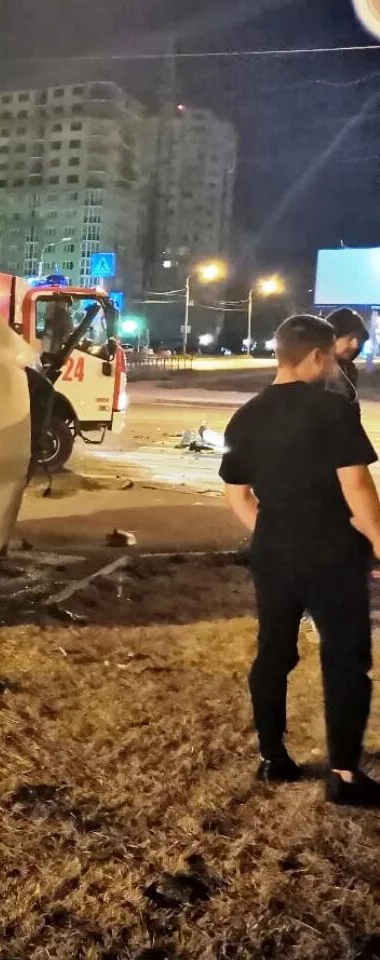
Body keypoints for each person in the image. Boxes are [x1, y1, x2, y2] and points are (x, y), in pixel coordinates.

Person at [220, 314, 380, 806]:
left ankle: (273, 758)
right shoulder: (333, 410)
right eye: (329, 355)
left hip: (273, 552)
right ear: (315, 356)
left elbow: (238, 495)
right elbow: (356, 487)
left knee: (274, 652)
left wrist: (272, 532)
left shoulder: (245, 416)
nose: (332, 364)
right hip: (332, 550)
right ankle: (344, 775)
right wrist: (378, 542)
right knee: (346, 656)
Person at [325, 307, 369, 406]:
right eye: (350, 338)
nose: (355, 345)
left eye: (359, 339)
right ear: (332, 337)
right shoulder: (312, 367)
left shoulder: (349, 369)